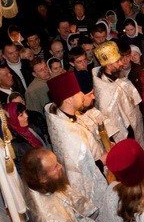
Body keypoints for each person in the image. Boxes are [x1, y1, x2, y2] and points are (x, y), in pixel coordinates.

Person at [45, 70, 111, 202]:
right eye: (79, 92)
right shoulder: (68, 134)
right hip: (91, 186)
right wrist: (101, 160)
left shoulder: (66, 117)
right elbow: (78, 170)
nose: (83, 95)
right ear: (69, 100)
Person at [92, 41, 144, 149]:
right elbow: (107, 113)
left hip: (133, 123)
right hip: (122, 129)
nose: (121, 63)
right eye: (117, 61)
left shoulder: (117, 75)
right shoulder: (103, 86)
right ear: (108, 64)